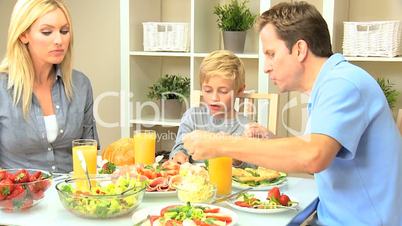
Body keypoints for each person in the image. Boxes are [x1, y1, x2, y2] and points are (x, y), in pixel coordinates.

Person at [183, 2, 402, 225]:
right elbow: (317, 156)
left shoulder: (343, 84)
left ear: (299, 49)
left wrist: (218, 144)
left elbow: (312, 157)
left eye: (271, 54)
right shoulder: (331, 84)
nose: (266, 67)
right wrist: (274, 141)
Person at [0, 0, 99, 173]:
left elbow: (90, 152)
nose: (59, 40)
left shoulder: (81, 84)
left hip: (71, 195)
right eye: (47, 32)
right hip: (19, 198)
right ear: (23, 35)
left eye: (64, 31)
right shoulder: (2, 88)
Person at [170, 50, 269, 165]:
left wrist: (237, 159)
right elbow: (179, 147)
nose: (214, 98)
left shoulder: (247, 128)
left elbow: (253, 167)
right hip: (195, 181)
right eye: (208, 90)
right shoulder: (192, 117)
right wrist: (179, 155)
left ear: (240, 90)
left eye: (223, 91)